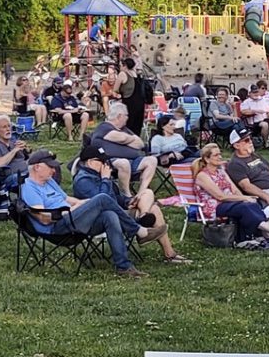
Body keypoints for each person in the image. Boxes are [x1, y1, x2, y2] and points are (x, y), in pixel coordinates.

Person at [19, 149, 146, 278]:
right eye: (51, 167)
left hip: (73, 219)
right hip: (58, 226)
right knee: (102, 198)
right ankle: (137, 230)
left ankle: (123, 266)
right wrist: (75, 209)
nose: (54, 171)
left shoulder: (49, 182)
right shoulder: (29, 188)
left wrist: (86, 203)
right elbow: (44, 218)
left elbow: (68, 200)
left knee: (109, 215)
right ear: (37, 167)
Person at [70, 147, 188, 265]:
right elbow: (102, 200)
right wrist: (105, 179)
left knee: (147, 193)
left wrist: (129, 201)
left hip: (118, 210)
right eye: (103, 162)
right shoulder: (83, 180)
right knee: (155, 209)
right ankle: (168, 253)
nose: (107, 165)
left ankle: (144, 215)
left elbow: (116, 197)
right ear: (91, 162)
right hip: (105, 217)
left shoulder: (97, 175)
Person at [191, 142, 269, 242]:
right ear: (207, 159)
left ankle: (264, 234)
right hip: (215, 208)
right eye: (216, 155)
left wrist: (246, 199)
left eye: (220, 154)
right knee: (244, 207)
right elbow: (220, 197)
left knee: (250, 204)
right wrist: (244, 198)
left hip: (230, 204)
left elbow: (235, 190)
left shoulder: (221, 172)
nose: (220, 157)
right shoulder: (202, 176)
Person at [86, 102, 158, 197]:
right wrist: (131, 139)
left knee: (152, 160)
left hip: (133, 160)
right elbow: (122, 138)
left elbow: (140, 143)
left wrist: (127, 139)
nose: (127, 118)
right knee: (124, 163)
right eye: (126, 115)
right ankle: (126, 195)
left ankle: (141, 193)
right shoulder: (104, 127)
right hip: (110, 162)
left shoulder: (124, 129)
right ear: (119, 116)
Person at [0, 115, 31, 190]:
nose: (8, 129)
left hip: (27, 170)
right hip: (9, 177)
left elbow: (29, 157)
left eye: (9, 126)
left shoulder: (15, 143)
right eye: (4, 127)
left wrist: (27, 149)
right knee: (27, 177)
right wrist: (14, 150)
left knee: (49, 166)